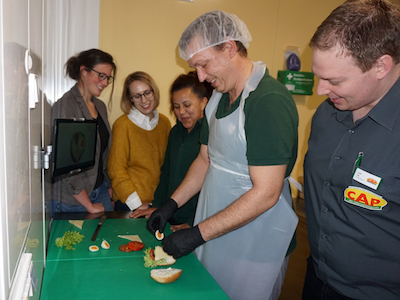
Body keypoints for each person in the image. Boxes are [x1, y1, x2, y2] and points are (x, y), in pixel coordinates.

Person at [147, 10, 299, 300]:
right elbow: (205, 161)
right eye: (195, 69)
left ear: (229, 48)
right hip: (216, 230)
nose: (201, 77)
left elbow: (266, 192)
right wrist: (170, 204)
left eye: (203, 64)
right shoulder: (217, 99)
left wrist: (197, 234)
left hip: (257, 240)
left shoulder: (268, 101)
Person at [303, 1, 400, 299]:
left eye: (334, 80)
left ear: (381, 66)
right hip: (315, 279)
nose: (320, 90)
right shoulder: (325, 115)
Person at [130, 71, 212, 231]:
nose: (181, 112)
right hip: (170, 216)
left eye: (187, 105)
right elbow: (166, 172)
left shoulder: (210, 134)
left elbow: (211, 185)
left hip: (195, 220)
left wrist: (192, 221)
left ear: (203, 103)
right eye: (176, 106)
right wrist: (160, 207)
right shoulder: (175, 132)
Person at [51, 48, 116, 214]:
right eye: (101, 75)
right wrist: (88, 205)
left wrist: (108, 185)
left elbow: (103, 153)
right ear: (83, 71)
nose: (105, 82)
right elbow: (65, 165)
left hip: (99, 190)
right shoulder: (65, 106)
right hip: (73, 198)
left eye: (108, 77)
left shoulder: (100, 106)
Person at [108, 71, 171, 211]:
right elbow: (116, 170)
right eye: (137, 96)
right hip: (129, 203)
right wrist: (136, 205)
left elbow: (166, 167)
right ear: (130, 99)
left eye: (147, 93)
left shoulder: (165, 123)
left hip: (157, 203)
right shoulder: (123, 125)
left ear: (154, 92)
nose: (144, 100)